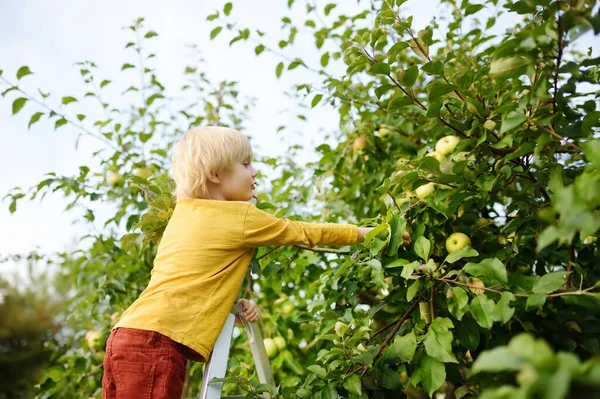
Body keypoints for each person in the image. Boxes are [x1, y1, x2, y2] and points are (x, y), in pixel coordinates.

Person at [101, 126, 408, 398]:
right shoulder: (239, 216)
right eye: (246, 164)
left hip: (126, 335)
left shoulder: (183, 214)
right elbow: (303, 232)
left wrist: (229, 307)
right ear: (215, 174)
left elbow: (188, 281)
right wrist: (365, 233)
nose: (255, 172)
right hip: (157, 344)